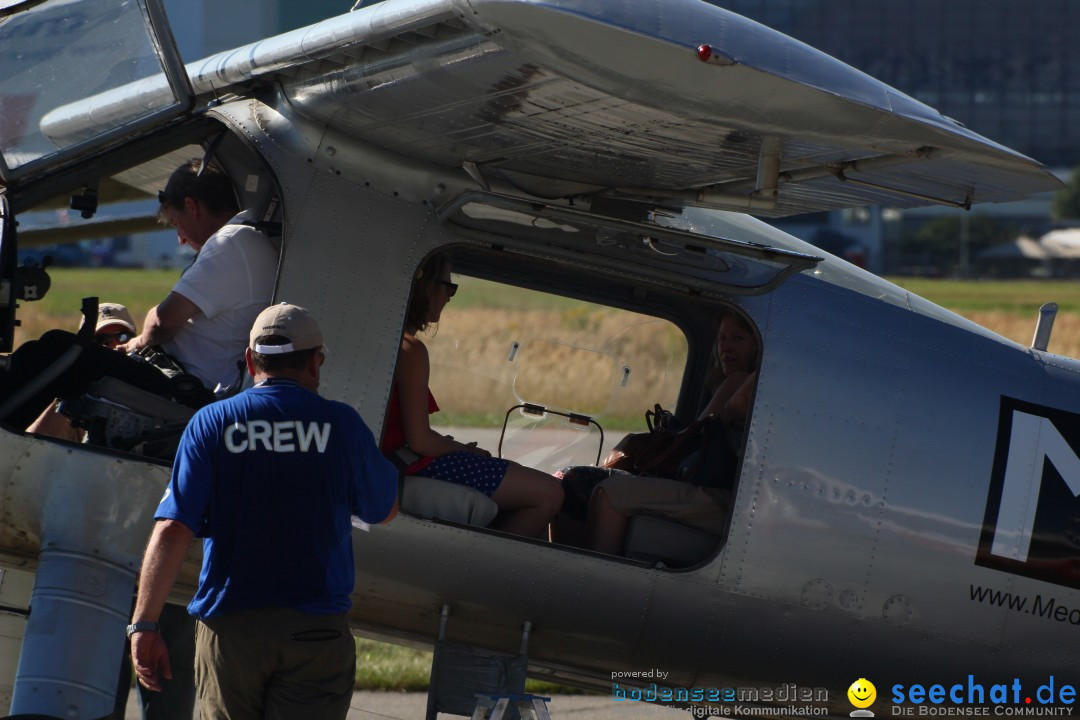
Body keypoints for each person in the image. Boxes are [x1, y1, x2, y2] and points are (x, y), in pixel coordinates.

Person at [129, 303, 398, 719]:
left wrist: (145, 624)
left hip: (231, 628)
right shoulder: (343, 425)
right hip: (315, 629)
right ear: (315, 362)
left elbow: (172, 528)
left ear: (252, 361)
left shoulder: (211, 423)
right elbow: (383, 510)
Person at [382, 252, 563, 539]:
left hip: (399, 458)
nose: (450, 296)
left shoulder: (393, 341)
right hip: (405, 462)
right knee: (549, 493)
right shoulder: (410, 349)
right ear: (427, 288)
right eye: (448, 286)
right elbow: (420, 440)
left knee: (515, 474)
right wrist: (467, 451)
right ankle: (494, 576)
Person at [586, 310, 758, 556]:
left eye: (738, 338)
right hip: (721, 491)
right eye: (721, 339)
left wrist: (636, 445)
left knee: (609, 491)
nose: (726, 347)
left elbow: (690, 440)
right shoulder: (736, 382)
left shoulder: (740, 381)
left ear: (757, 346)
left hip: (727, 498)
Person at [119, 159, 278, 394]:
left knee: (74, 358)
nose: (180, 239)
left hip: (190, 389)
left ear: (192, 207)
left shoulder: (230, 242)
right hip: (186, 382)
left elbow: (162, 321)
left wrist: (137, 342)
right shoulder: (242, 240)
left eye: (176, 223)